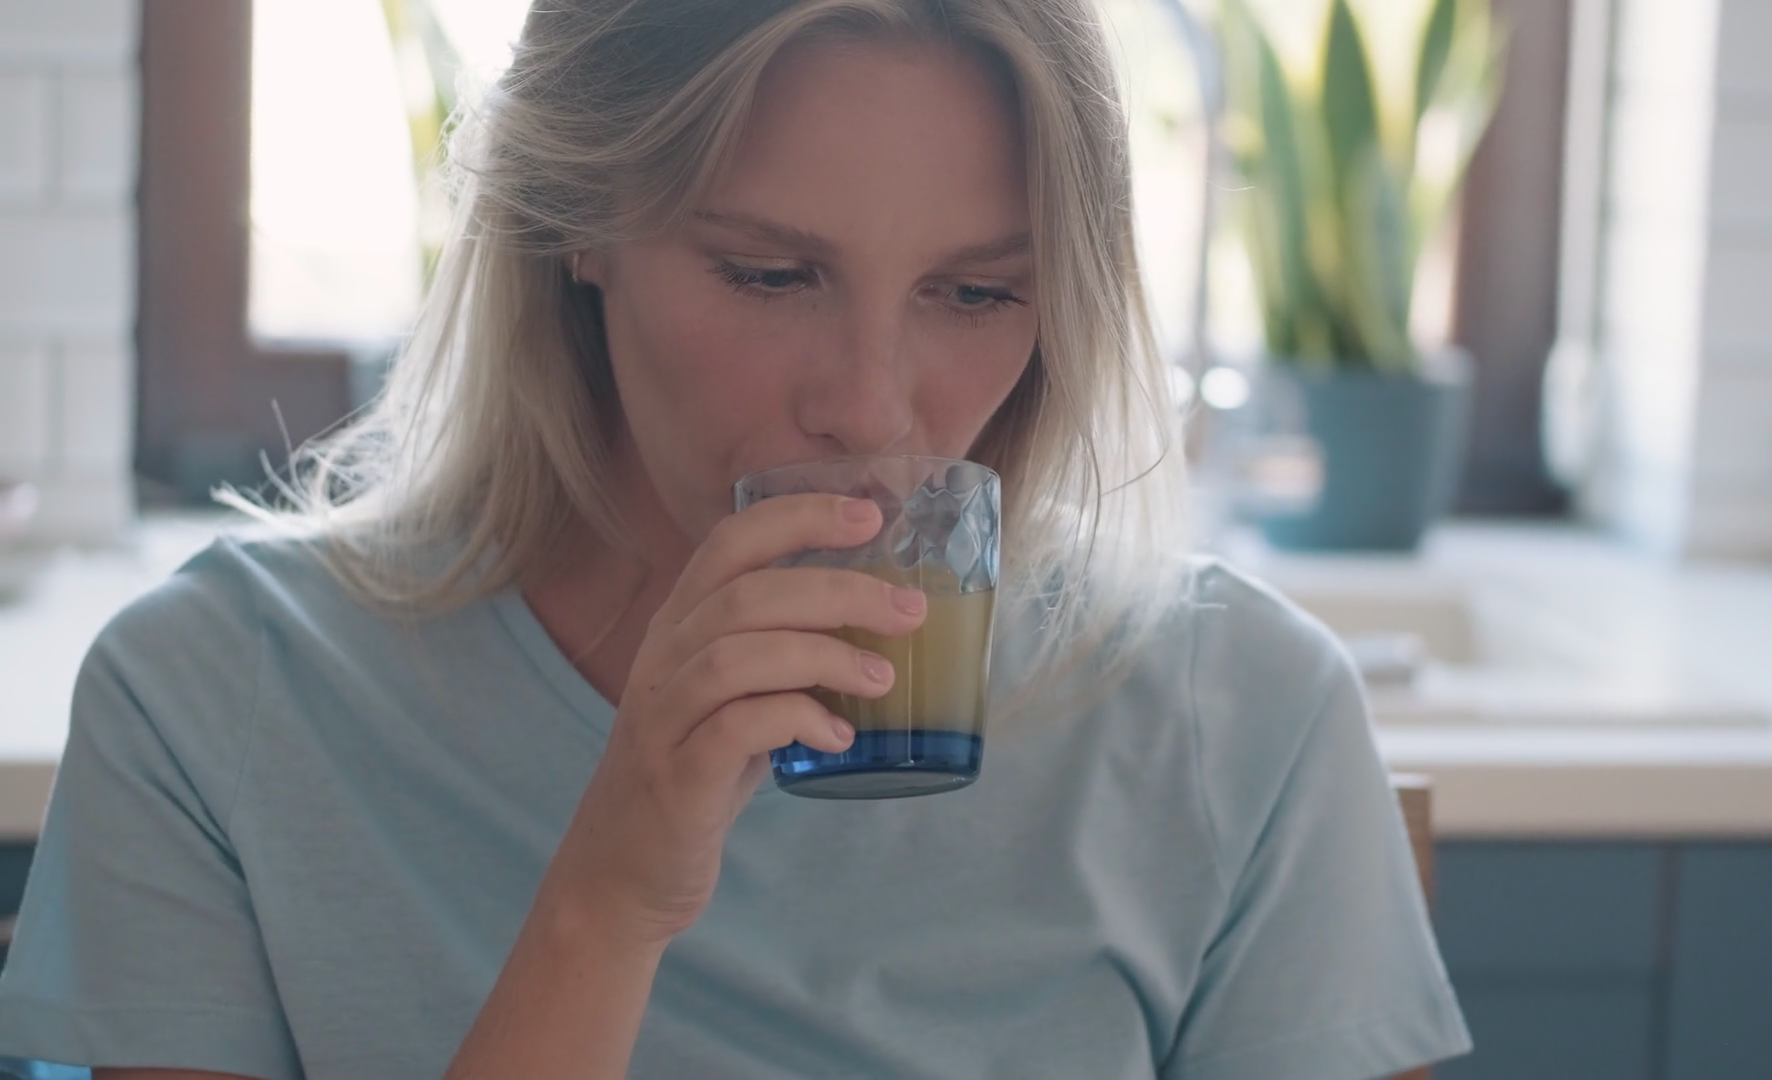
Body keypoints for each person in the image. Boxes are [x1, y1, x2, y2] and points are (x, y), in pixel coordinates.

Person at [0, 1, 1471, 1077]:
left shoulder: (1242, 716)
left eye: (975, 294)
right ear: (577, 226)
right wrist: (605, 906)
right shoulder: (213, 702)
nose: (871, 407)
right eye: (770, 274)